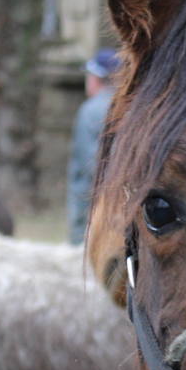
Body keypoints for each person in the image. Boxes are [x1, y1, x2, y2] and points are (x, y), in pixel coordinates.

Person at [66, 48, 120, 244]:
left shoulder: (90, 111)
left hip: (89, 205)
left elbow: (90, 163)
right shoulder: (129, 107)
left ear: (96, 78)